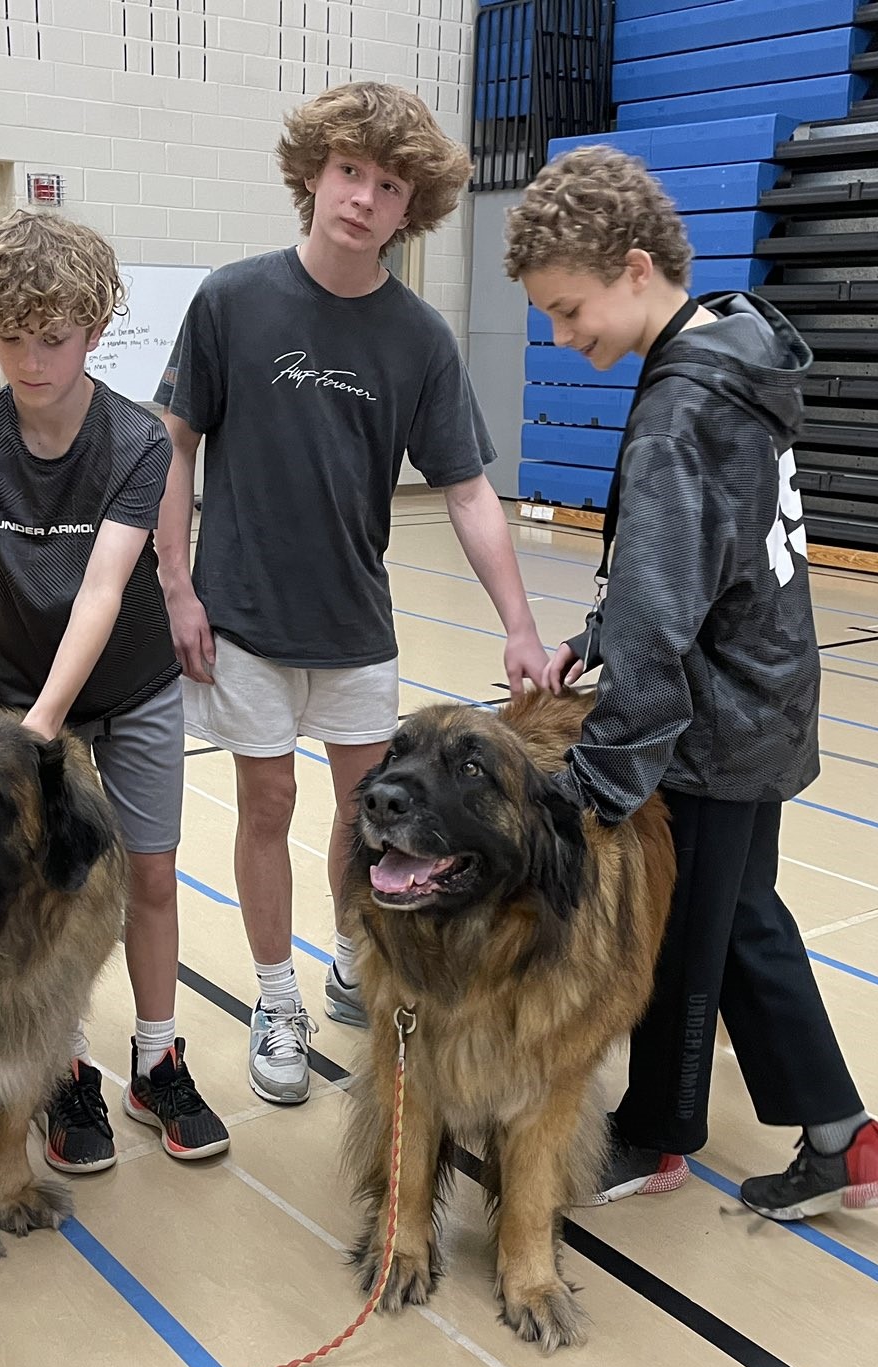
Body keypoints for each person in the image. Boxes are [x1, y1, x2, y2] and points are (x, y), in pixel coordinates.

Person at [507, 146, 878, 1219]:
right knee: (736, 918)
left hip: (712, 726)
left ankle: (654, 1133)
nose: (561, 336)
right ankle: (845, 1138)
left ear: (634, 266)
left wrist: (591, 785)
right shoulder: (733, 355)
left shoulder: (684, 407)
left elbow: (659, 622)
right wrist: (591, 635)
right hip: (763, 702)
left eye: (568, 307)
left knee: (685, 938)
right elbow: (688, 571)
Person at [155, 81, 551, 1106]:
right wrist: (176, 586)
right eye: (349, 172)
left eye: (388, 185)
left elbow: (465, 488)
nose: (363, 197)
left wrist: (517, 620)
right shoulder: (231, 300)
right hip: (238, 615)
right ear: (312, 174)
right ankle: (276, 995)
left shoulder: (418, 338)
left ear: (408, 208)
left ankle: (349, 953)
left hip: (355, 626)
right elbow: (173, 447)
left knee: (368, 811)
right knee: (266, 800)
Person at [0, 209, 229, 1170]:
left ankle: (155, 1060)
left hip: (130, 687)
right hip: (18, 686)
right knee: (36, 883)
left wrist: (44, 730)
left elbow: (104, 588)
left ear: (94, 332)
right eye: (10, 336)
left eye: (52, 338)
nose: (29, 359)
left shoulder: (138, 442)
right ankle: (61, 1074)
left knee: (146, 871)